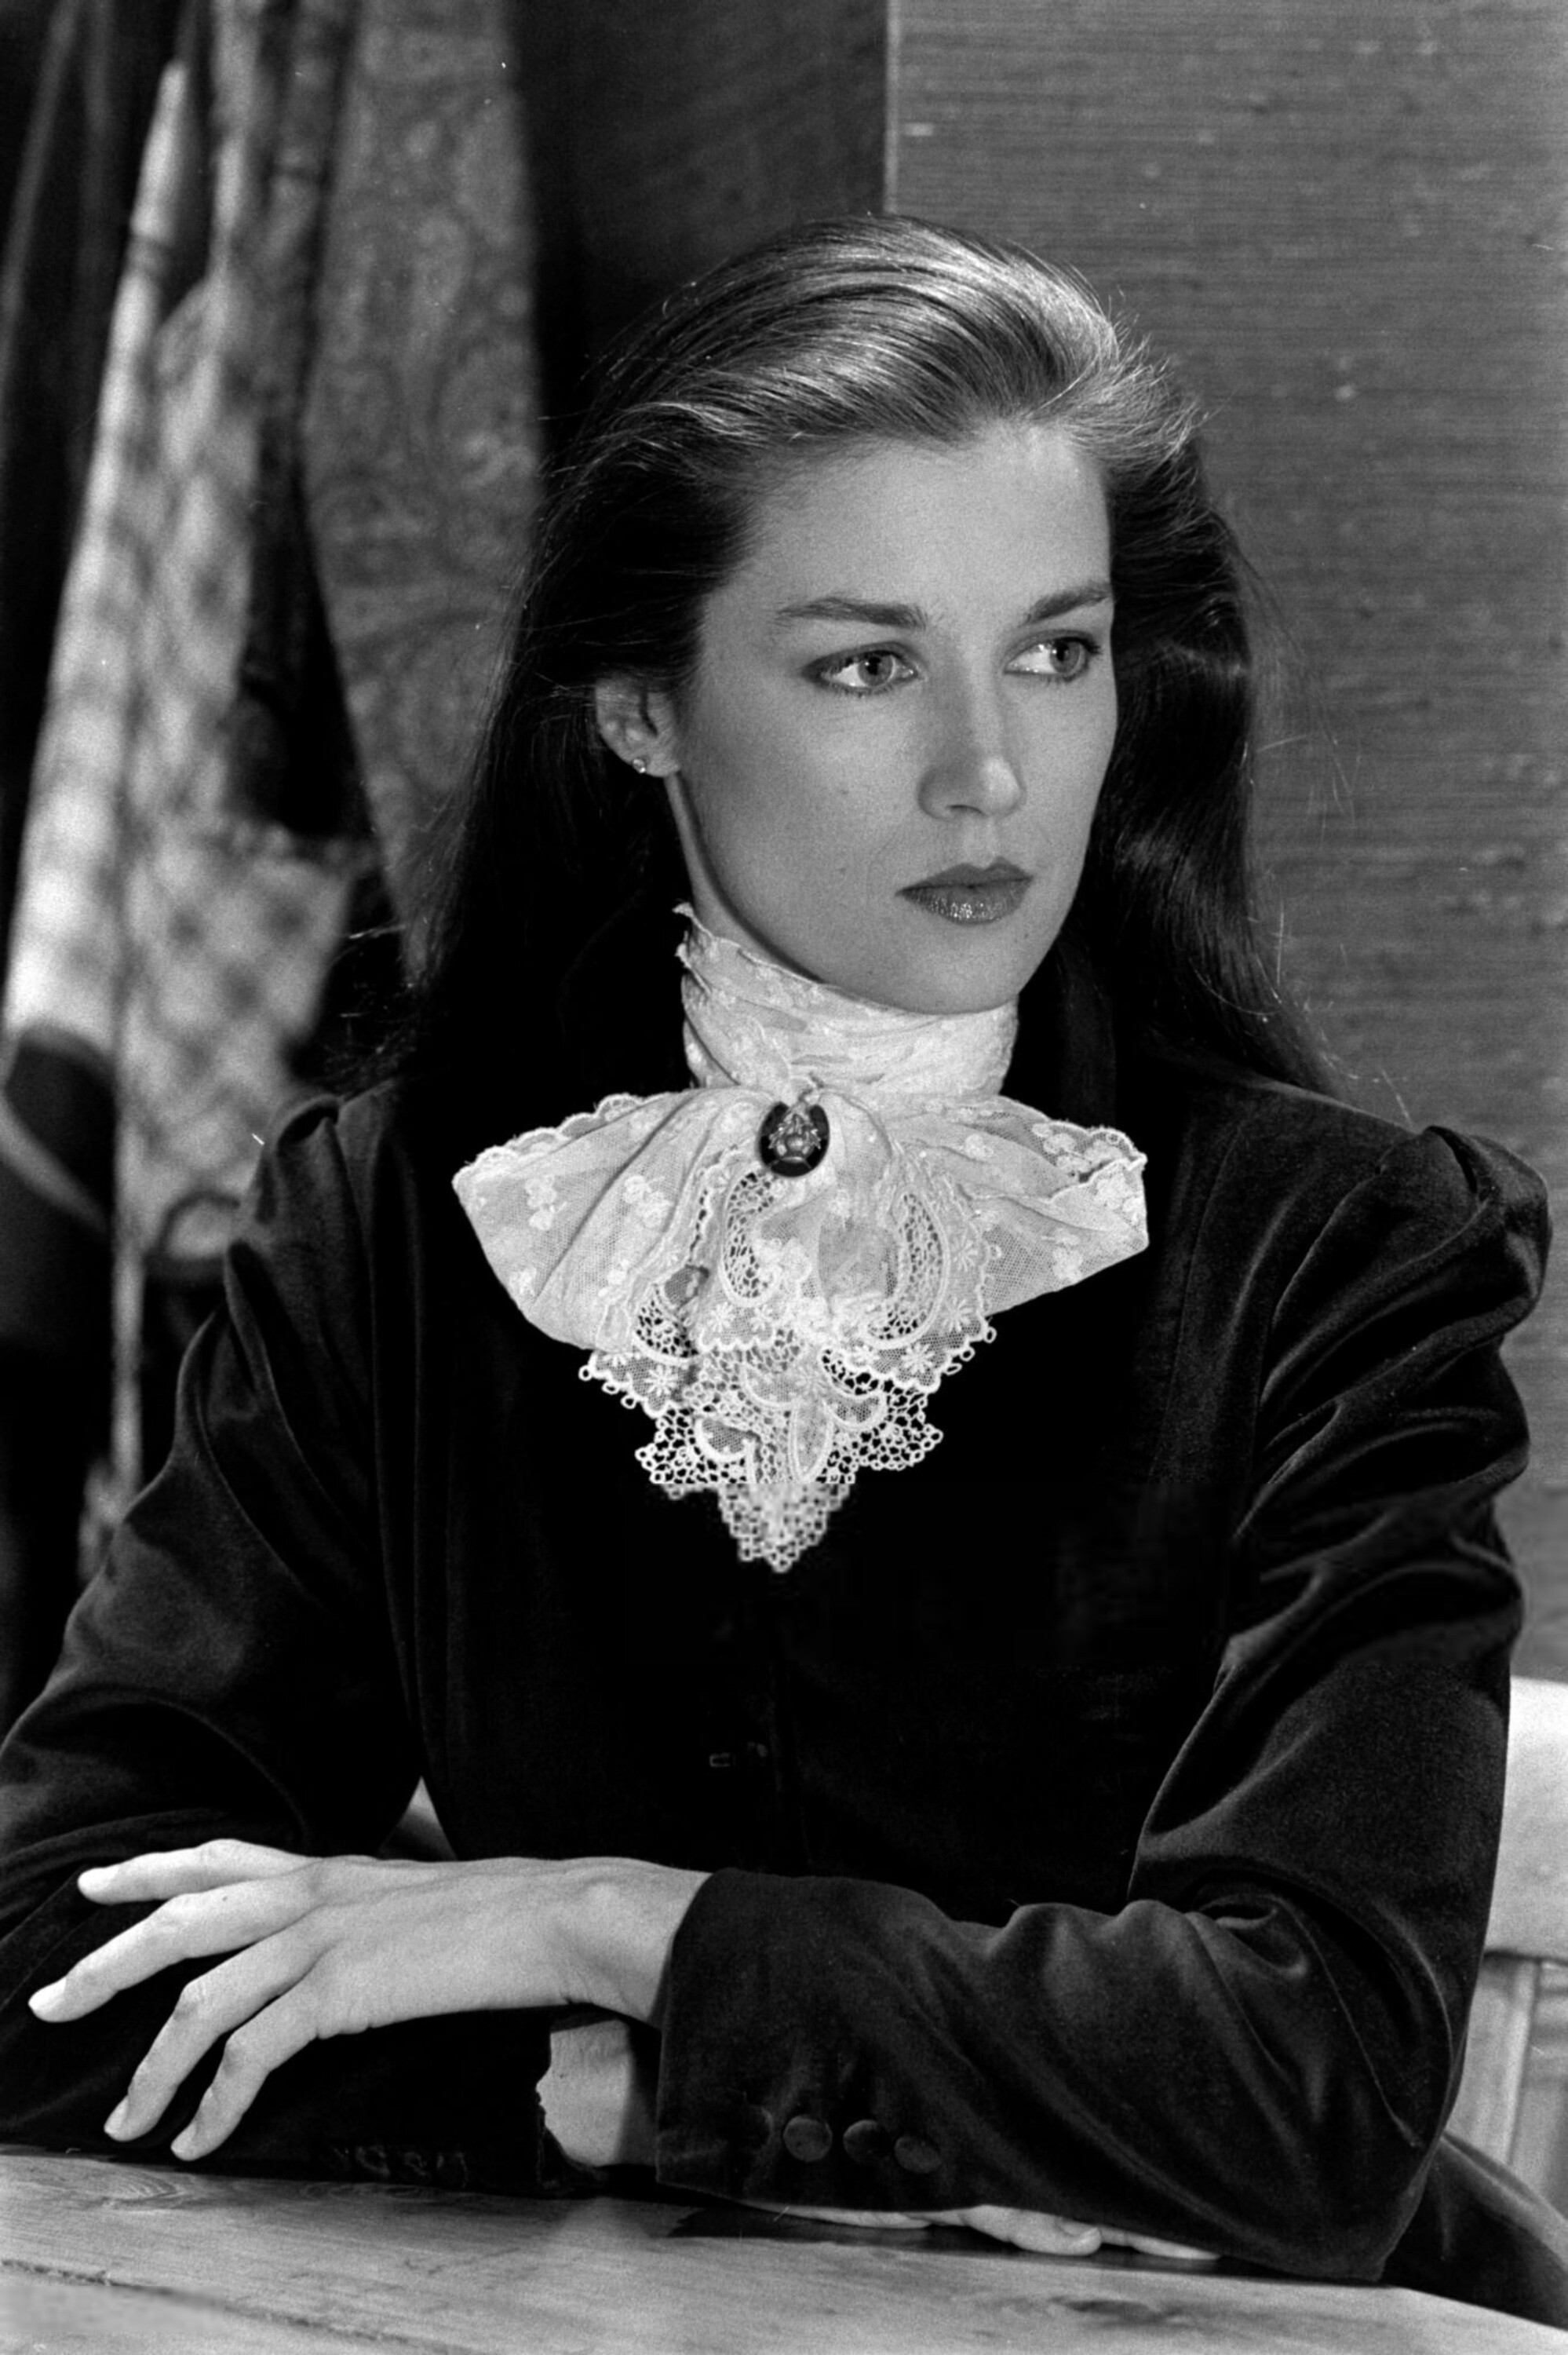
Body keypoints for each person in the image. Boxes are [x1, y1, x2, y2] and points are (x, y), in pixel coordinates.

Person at [0, 214, 1561, 2322]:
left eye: (1058, 652)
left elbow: (1309, 2091)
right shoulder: (401, 1222)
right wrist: (612, 2096)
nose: (987, 772)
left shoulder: (1342, 1256)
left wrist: (608, 1923)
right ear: (642, 706)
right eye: (865, 664)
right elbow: (46, 1953)